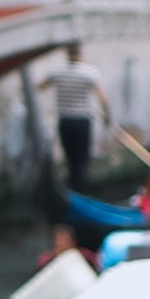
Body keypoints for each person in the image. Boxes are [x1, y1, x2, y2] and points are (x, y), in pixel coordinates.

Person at [48, 50, 106, 193]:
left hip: (65, 121)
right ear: (80, 52)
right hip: (82, 121)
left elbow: (39, 86)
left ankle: (73, 192)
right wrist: (107, 117)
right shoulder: (89, 72)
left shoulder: (58, 72)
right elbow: (103, 98)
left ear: (67, 53)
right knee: (82, 162)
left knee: (70, 161)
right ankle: (82, 192)